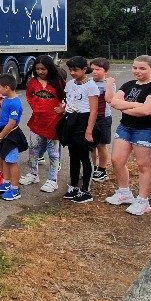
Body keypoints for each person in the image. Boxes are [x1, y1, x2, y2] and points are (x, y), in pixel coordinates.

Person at [105, 56, 151, 216]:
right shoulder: (128, 85)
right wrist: (137, 105)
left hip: (147, 130)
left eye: (142, 68)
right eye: (135, 67)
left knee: (143, 165)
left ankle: (143, 200)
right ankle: (124, 193)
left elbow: (146, 111)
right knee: (117, 160)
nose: (137, 71)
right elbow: (113, 102)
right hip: (125, 127)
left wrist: (125, 107)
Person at [19, 55, 66, 193]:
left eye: (43, 69)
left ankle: (52, 180)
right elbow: (29, 96)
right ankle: (33, 174)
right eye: (37, 69)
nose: (40, 71)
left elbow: (67, 96)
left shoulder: (58, 82)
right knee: (33, 149)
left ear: (49, 68)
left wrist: (63, 108)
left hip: (53, 122)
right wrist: (36, 106)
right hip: (37, 121)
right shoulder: (33, 82)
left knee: (53, 153)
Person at [60, 56, 99, 203]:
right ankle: (74, 186)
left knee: (84, 157)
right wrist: (62, 109)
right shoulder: (70, 84)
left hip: (83, 121)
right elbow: (68, 101)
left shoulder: (91, 86)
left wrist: (89, 131)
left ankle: (86, 190)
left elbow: (94, 111)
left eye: (75, 70)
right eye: (70, 70)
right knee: (73, 156)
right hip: (71, 120)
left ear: (84, 69)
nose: (72, 73)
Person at [0, 74, 28, 201]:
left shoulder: (15, 103)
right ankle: (6, 183)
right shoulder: (6, 99)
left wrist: (1, 136)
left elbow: (12, 122)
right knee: (5, 159)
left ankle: (15, 189)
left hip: (10, 135)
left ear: (7, 87)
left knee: (12, 161)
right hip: (1, 132)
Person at [89, 57, 116, 183]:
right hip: (89, 118)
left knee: (101, 145)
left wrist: (109, 84)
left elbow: (109, 99)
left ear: (106, 71)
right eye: (93, 69)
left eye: (98, 69)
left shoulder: (109, 84)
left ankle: (102, 169)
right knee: (91, 145)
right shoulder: (88, 82)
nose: (94, 72)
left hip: (103, 118)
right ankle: (93, 167)